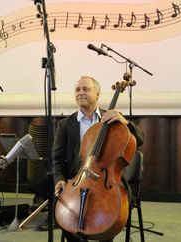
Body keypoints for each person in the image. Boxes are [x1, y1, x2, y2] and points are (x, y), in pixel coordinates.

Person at [53, 76, 144, 242]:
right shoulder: (65, 125)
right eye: (77, 90)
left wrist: (125, 122)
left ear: (97, 94)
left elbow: (140, 139)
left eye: (85, 89)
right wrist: (59, 179)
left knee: (106, 222)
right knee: (65, 218)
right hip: (77, 182)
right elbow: (57, 159)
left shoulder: (112, 118)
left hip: (108, 184)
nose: (80, 93)